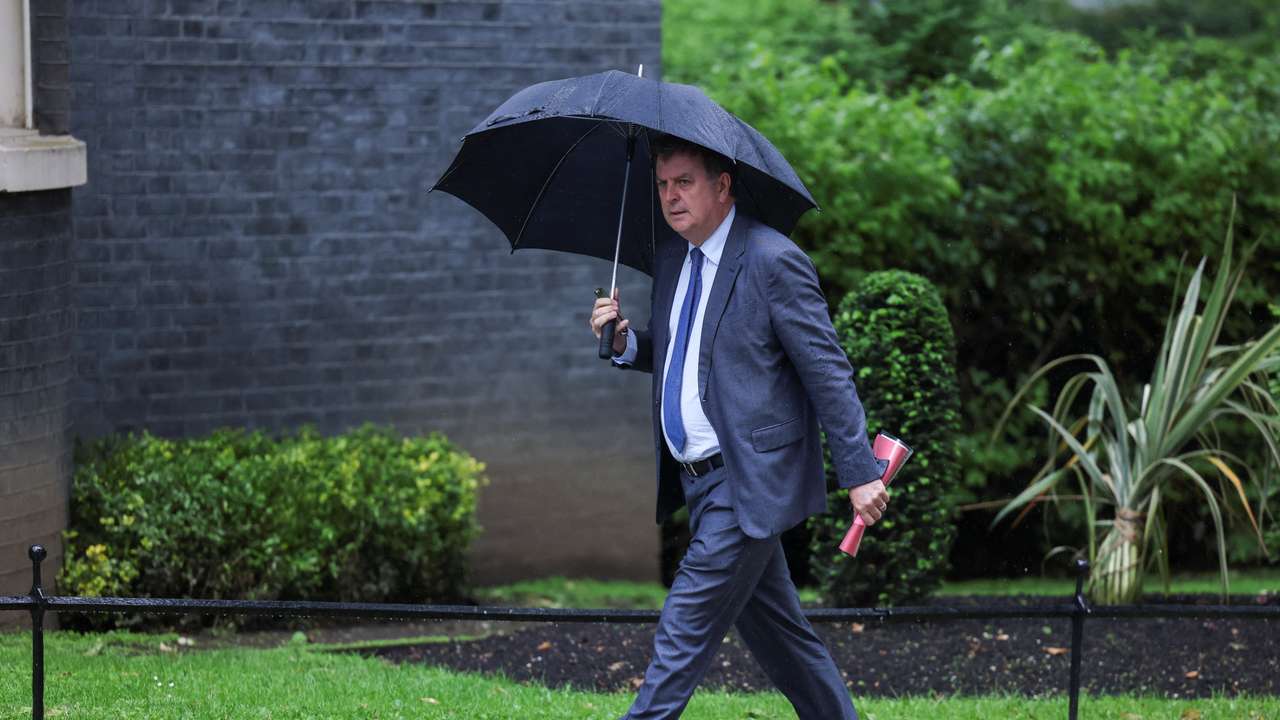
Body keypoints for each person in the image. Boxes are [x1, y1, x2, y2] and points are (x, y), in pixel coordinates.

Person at [588, 133, 891, 720]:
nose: (670, 198)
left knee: (681, 631)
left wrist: (860, 471)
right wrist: (627, 342)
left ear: (723, 186)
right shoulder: (675, 257)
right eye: (662, 185)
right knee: (785, 643)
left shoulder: (773, 260)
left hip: (747, 480)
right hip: (698, 484)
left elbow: (827, 371)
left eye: (684, 183)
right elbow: (693, 354)